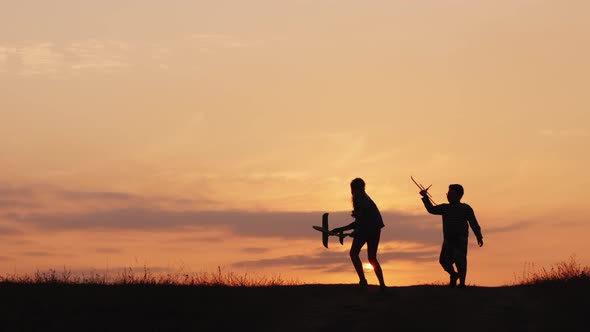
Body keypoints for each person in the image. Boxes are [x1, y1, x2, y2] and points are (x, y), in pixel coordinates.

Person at [419, 184, 483, 288]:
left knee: (460, 261)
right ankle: (454, 275)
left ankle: (462, 284)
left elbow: (473, 222)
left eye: (452, 194)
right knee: (444, 260)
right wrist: (425, 197)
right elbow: (431, 209)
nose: (449, 196)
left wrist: (479, 235)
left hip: (460, 239)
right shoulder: (445, 208)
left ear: (459, 195)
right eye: (448, 194)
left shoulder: (465, 208)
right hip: (448, 240)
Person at [331, 178, 386, 289]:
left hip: (368, 229)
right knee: (372, 258)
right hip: (375, 229)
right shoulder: (366, 199)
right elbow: (360, 221)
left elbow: (361, 221)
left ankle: (363, 281)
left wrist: (352, 231)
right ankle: (382, 285)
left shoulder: (359, 198)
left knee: (354, 253)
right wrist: (342, 229)